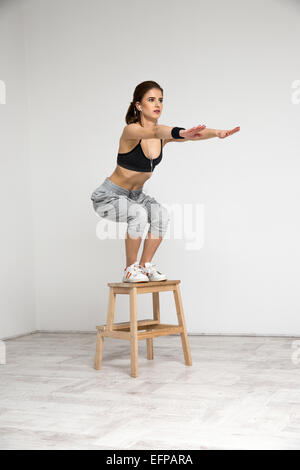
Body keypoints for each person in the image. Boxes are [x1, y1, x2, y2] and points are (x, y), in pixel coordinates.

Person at [91, 80, 240, 282]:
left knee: (160, 215)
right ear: (138, 105)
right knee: (139, 215)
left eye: (160, 100)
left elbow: (193, 135)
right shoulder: (131, 131)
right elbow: (154, 131)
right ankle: (130, 269)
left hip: (135, 196)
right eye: (151, 100)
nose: (157, 104)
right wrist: (180, 133)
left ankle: (144, 267)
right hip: (108, 197)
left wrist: (216, 133)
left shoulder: (163, 135)